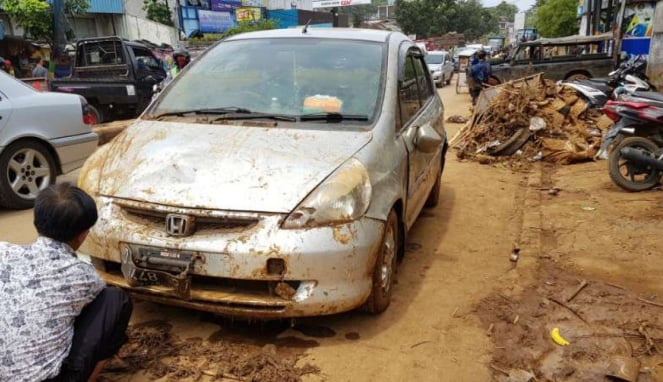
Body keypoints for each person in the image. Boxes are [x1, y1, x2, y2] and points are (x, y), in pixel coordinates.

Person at [0, 183, 132, 382]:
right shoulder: (83, 276)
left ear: (36, 221)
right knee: (115, 299)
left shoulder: (4, 252)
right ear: (83, 235)